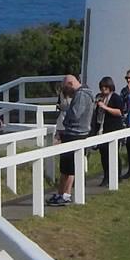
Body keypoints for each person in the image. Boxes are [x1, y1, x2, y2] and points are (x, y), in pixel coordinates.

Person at [50, 72, 94, 206]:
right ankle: (62, 193)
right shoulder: (87, 92)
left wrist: (66, 119)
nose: (65, 91)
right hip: (79, 132)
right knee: (68, 167)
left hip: (75, 133)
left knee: (68, 168)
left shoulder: (81, 94)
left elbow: (75, 114)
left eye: (65, 88)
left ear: (70, 84)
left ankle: (65, 195)